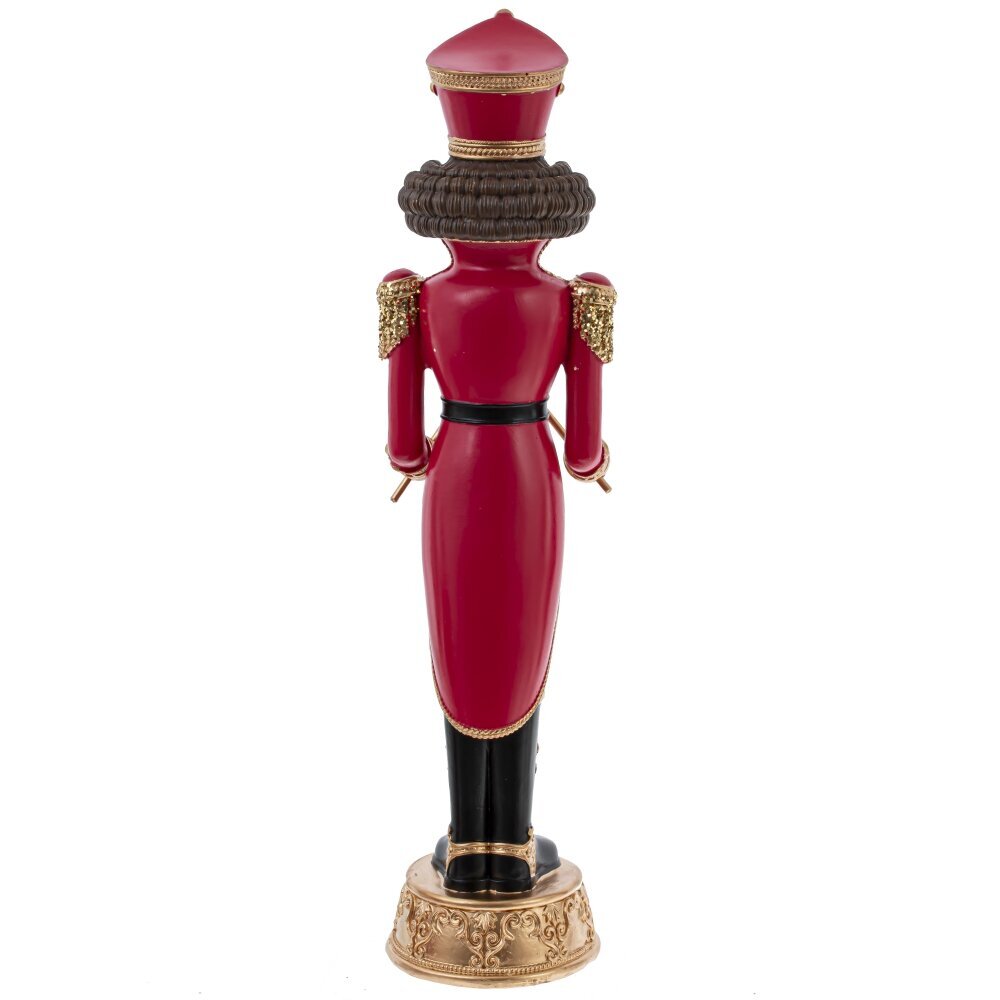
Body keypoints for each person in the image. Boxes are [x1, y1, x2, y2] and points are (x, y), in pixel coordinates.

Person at [379, 10, 615, 894]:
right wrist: (591, 456)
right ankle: (512, 845)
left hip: (456, 465)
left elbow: (403, 447)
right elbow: (583, 452)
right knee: (520, 642)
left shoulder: (415, 292)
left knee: (459, 640)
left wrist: (422, 452)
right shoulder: (573, 295)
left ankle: (466, 838)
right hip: (527, 471)